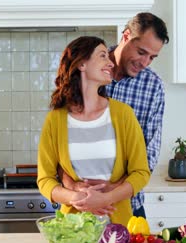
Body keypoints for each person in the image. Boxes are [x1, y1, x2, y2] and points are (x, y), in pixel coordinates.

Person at [60, 12, 169, 218]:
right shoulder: (86, 69)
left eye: (152, 57)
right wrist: (73, 186)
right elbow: (61, 145)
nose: (145, 62)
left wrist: (113, 190)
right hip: (79, 205)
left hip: (127, 204)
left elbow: (149, 152)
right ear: (126, 36)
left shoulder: (153, 86)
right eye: (141, 52)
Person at [37, 36, 150, 226]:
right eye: (103, 56)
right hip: (72, 230)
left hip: (119, 226)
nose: (110, 63)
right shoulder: (55, 120)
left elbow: (141, 173)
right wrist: (77, 198)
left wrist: (106, 198)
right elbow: (45, 180)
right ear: (82, 64)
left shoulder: (123, 114)